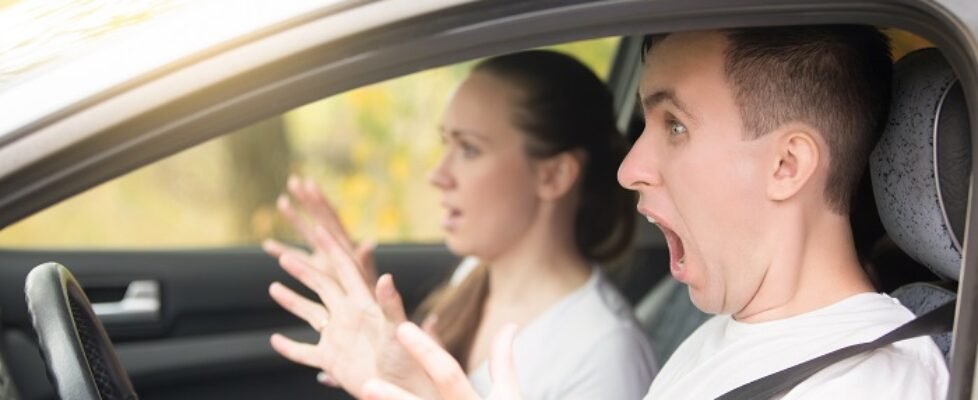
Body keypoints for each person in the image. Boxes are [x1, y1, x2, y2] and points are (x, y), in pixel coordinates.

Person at [359, 26, 949, 400]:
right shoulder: (725, 334)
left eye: (675, 126)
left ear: (786, 164)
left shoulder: (867, 382)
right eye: (646, 123)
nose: (629, 168)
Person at [263, 50, 658, 399]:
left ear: (554, 175)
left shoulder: (605, 355)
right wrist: (371, 319)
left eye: (469, 148)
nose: (437, 174)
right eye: (445, 143)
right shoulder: (473, 275)